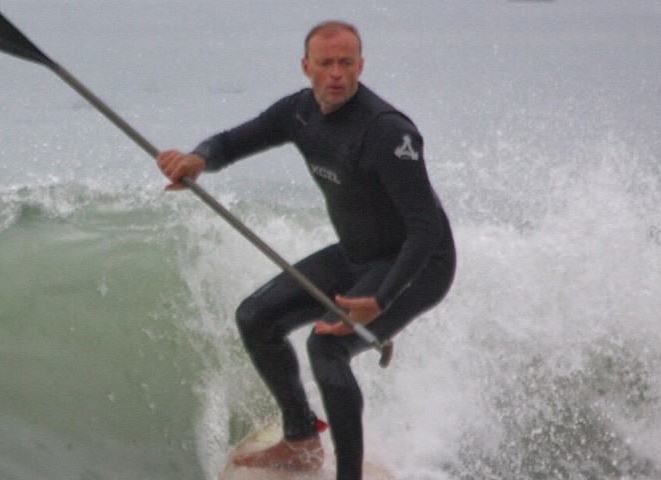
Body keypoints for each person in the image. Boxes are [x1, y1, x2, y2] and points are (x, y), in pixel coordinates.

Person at [155, 20, 456, 478]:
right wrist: (197, 160)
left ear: (360, 66)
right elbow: (234, 141)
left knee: (326, 346)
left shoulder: (388, 133)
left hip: (418, 265)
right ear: (306, 67)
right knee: (256, 317)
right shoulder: (299, 113)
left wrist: (381, 299)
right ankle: (301, 441)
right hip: (358, 253)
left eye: (346, 63)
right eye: (325, 63)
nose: (336, 73)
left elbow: (426, 230)